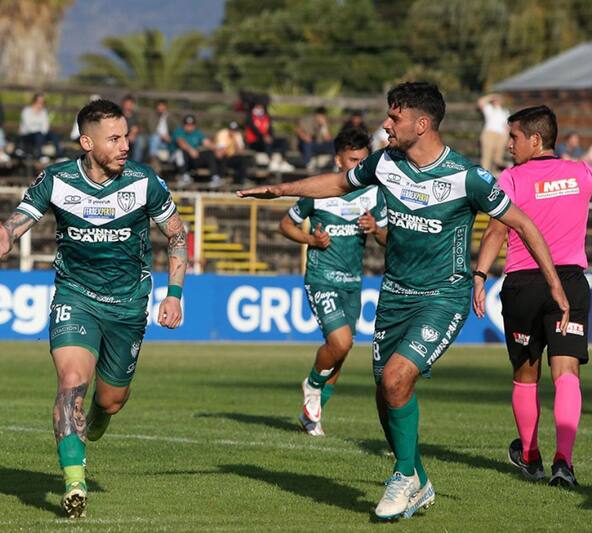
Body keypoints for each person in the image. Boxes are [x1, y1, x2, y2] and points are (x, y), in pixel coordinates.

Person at [237, 82, 569, 520]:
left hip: (442, 297)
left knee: (396, 380)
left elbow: (523, 224)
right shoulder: (384, 163)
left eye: (394, 118)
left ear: (422, 123)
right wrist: (280, 190)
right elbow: (338, 182)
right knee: (386, 391)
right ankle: (417, 480)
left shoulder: (468, 177)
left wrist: (558, 287)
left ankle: (402, 475)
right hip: (393, 297)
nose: (386, 125)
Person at [0, 99, 187, 519]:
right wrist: (9, 235)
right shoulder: (57, 179)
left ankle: (97, 417)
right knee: (72, 382)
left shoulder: (144, 182)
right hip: (75, 297)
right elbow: (24, 214)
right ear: (87, 142)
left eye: (126, 136)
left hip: (129, 305)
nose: (125, 145)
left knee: (111, 400)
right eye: (115, 138)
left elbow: (178, 236)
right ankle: (74, 483)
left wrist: (175, 293)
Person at [473, 105, 592, 487]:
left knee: (527, 375)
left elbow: (494, 231)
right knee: (567, 373)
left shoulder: (511, 179)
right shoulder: (581, 174)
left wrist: (479, 275)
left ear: (535, 139)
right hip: (570, 281)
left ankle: (530, 455)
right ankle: (564, 462)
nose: (509, 145)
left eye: (514, 137)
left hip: (524, 284)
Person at [280, 127, 387, 436]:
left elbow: (385, 239)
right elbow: (286, 225)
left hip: (353, 282)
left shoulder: (373, 193)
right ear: (338, 160)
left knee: (341, 351)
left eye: (364, 160)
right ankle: (312, 385)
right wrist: (310, 238)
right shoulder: (318, 190)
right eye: (353, 160)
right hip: (322, 277)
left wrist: (375, 228)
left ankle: (312, 416)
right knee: (340, 342)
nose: (359, 166)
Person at [172, 114, 221, 188]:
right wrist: (191, 150)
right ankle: (184, 176)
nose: (189, 127)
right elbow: (181, 143)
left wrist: (216, 149)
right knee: (181, 152)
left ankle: (215, 177)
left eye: (191, 125)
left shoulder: (197, 133)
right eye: (187, 124)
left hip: (192, 158)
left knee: (209, 153)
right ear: (184, 125)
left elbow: (206, 142)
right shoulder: (179, 131)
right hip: (177, 158)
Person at [244, 102, 294, 173]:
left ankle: (284, 162)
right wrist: (264, 137)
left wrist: (270, 137)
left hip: (266, 140)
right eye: (258, 107)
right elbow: (255, 130)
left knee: (283, 141)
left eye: (261, 107)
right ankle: (271, 161)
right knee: (266, 141)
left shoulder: (266, 117)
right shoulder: (250, 117)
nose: (260, 109)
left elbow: (270, 130)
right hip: (254, 142)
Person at [19, 93, 61, 162]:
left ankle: (59, 156)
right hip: (27, 135)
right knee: (38, 135)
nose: (41, 104)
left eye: (42, 102)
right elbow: (29, 127)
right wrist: (40, 131)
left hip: (40, 135)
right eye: (39, 102)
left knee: (54, 135)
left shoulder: (44, 112)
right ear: (34, 101)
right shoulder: (26, 111)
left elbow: (46, 126)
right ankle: (39, 156)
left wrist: (42, 132)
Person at [477, 93, 510, 173]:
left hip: (502, 135)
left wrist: (508, 138)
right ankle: (484, 176)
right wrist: (491, 97)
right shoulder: (489, 108)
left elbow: (507, 126)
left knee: (498, 158)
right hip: (490, 134)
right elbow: (480, 102)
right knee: (487, 157)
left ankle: (496, 176)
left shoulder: (505, 111)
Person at [213, 121, 252, 186]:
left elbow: (241, 150)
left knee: (242, 159)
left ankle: (241, 180)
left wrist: (235, 142)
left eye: (234, 130)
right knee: (223, 157)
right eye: (231, 130)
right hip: (222, 156)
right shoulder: (222, 134)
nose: (233, 132)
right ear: (228, 129)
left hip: (231, 156)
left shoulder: (237, 135)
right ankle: (219, 178)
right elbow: (221, 151)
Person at [295, 106, 334, 170]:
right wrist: (304, 136)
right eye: (319, 115)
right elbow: (297, 129)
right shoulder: (307, 120)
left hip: (318, 145)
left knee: (333, 144)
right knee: (308, 144)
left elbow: (328, 139)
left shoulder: (325, 123)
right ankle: (308, 164)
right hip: (306, 143)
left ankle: (332, 165)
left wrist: (324, 126)